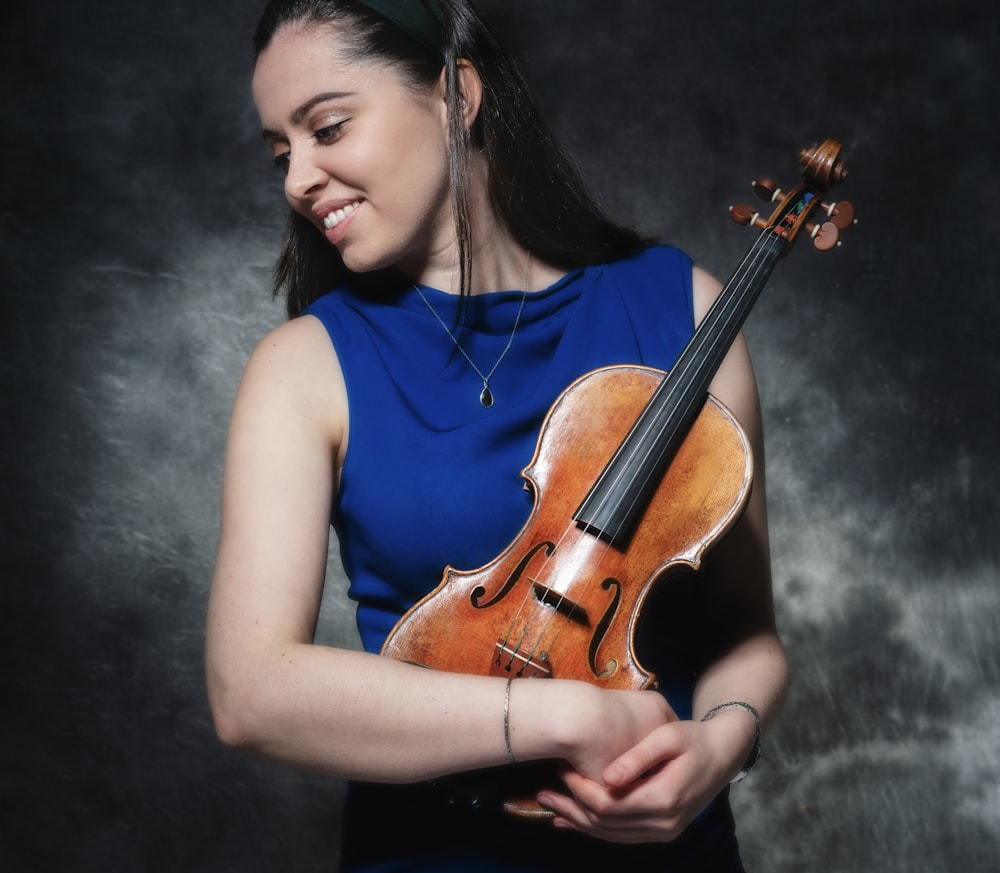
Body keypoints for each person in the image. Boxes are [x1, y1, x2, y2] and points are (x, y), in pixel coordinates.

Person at [206, 1, 790, 870]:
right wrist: (559, 716)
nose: (298, 177)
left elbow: (746, 631)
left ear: (456, 95)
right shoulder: (304, 366)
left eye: (327, 127)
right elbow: (249, 691)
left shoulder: (687, 310)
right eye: (282, 152)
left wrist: (720, 747)